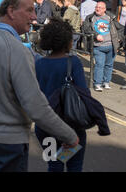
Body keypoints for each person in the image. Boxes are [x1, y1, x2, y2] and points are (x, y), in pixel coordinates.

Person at [0, 0, 78, 172]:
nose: (34, 16)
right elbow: (35, 105)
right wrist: (69, 135)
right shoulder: (17, 50)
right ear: (12, 11)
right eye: (29, 10)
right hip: (8, 140)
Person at [35, 18, 89, 172]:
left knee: (54, 164)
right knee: (74, 165)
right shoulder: (74, 63)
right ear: (67, 41)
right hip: (71, 126)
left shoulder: (38, 64)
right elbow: (84, 93)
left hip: (45, 126)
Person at [82, 2, 120, 92]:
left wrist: (120, 39)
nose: (97, 9)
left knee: (109, 65)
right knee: (99, 65)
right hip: (98, 46)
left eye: (100, 7)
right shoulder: (90, 17)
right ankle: (97, 83)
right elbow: (86, 29)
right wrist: (96, 35)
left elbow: (120, 28)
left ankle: (106, 82)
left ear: (104, 9)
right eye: (96, 7)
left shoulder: (111, 17)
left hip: (111, 45)